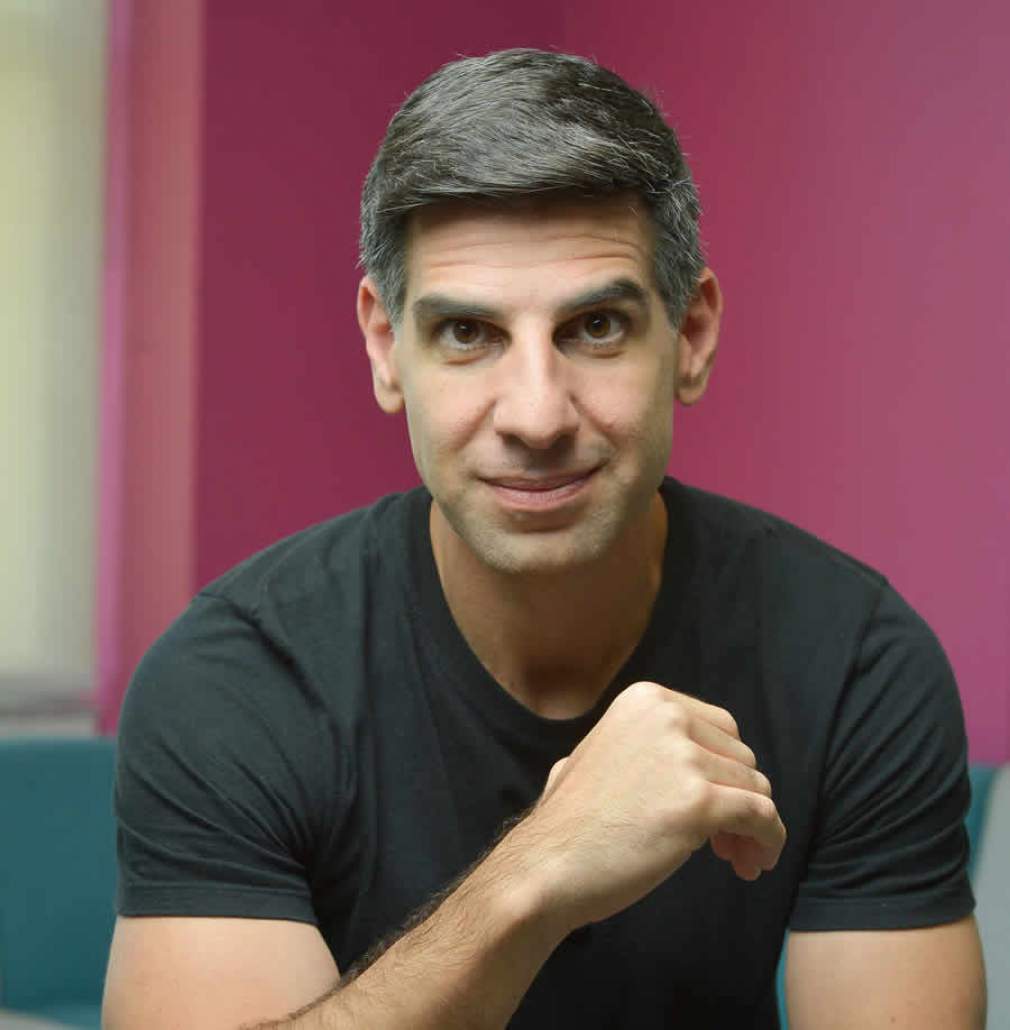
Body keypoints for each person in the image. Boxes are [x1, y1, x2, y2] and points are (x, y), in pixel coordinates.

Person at [102, 48, 985, 1029]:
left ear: (689, 337)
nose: (534, 415)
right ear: (386, 348)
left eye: (595, 326)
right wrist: (538, 871)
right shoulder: (236, 679)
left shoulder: (853, 665)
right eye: (467, 334)